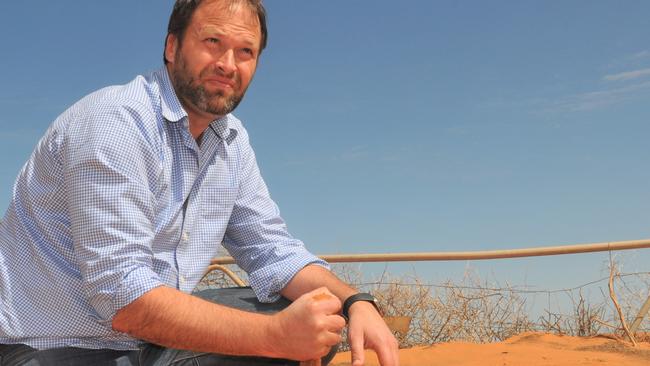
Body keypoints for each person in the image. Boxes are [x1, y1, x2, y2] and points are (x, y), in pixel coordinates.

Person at [0, 0, 399, 365]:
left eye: (246, 52)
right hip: (52, 347)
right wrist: (275, 337)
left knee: (317, 316)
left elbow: (273, 250)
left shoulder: (230, 140)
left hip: (144, 343)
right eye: (212, 41)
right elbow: (122, 296)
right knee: (286, 331)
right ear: (172, 47)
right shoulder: (116, 122)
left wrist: (355, 301)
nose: (228, 64)